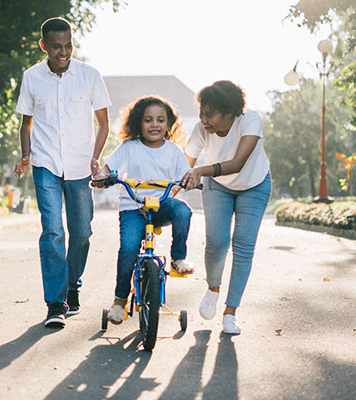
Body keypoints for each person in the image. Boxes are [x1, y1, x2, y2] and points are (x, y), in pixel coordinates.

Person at [14, 17, 111, 328]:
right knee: (53, 231)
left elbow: (104, 123)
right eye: (56, 47)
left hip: (81, 166)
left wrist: (96, 157)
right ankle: (56, 303)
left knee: (82, 233)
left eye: (68, 45)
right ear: (44, 46)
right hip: (45, 165)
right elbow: (26, 123)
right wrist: (26, 154)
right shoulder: (31, 78)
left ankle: (72, 286)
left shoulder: (89, 75)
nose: (64, 52)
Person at [94, 96, 194, 325]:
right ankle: (120, 300)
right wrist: (102, 177)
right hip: (133, 207)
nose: (155, 125)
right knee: (129, 249)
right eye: (148, 120)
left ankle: (178, 258)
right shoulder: (129, 147)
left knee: (183, 211)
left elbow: (186, 175)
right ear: (139, 123)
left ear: (169, 124)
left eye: (160, 120)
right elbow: (107, 169)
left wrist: (189, 181)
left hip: (161, 205)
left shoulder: (173, 150)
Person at [182, 80, 271, 335]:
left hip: (254, 184)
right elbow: (183, 164)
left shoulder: (250, 121)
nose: (203, 119)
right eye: (201, 112)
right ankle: (213, 288)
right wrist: (170, 188)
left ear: (229, 112)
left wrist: (200, 170)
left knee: (243, 245)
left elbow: (238, 163)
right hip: (218, 186)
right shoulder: (201, 129)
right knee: (217, 241)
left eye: (209, 114)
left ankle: (230, 312)